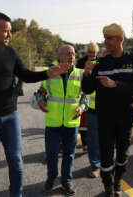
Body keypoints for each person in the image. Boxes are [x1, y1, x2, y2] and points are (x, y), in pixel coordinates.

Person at [0, 11, 70, 197]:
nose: (10, 35)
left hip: (10, 117)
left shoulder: (10, 52)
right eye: (6, 31)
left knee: (16, 161)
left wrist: (47, 73)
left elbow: (26, 75)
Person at [82, 23, 133, 197]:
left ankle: (117, 183)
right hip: (105, 118)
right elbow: (87, 89)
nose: (106, 41)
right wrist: (86, 73)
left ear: (120, 39)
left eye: (110, 38)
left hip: (125, 117)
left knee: (123, 153)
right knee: (106, 155)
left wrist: (115, 84)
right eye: (105, 38)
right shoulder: (100, 63)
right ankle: (108, 187)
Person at [36, 45, 87, 196]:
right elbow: (41, 91)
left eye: (73, 54)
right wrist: (40, 100)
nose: (71, 56)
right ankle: (51, 177)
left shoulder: (81, 74)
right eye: (67, 53)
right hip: (53, 121)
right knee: (51, 154)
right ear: (60, 56)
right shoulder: (51, 73)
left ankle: (66, 181)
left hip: (71, 123)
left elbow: (86, 96)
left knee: (69, 154)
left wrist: (82, 107)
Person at [76, 42, 101, 178]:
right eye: (90, 53)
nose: (92, 56)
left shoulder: (101, 63)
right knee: (92, 138)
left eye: (94, 54)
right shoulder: (81, 63)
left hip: (105, 108)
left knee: (104, 137)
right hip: (89, 106)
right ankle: (95, 165)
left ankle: (104, 162)